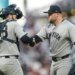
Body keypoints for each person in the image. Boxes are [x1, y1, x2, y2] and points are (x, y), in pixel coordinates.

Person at [22, 5, 75, 75]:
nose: (48, 16)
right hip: (53, 62)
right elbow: (35, 40)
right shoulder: (47, 27)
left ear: (57, 15)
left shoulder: (69, 27)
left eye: (50, 14)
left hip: (65, 61)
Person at [0, 4, 31, 75]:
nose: (16, 17)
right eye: (15, 15)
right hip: (11, 62)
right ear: (10, 15)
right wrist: (33, 40)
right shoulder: (14, 24)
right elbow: (25, 40)